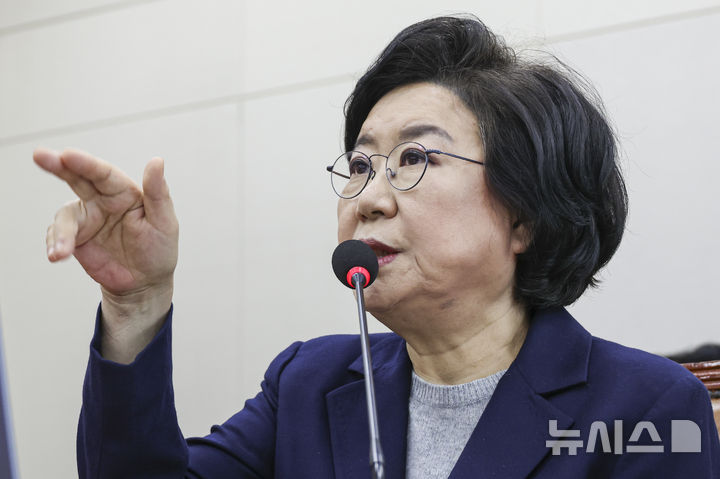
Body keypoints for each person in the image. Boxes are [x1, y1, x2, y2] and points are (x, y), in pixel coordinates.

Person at [35, 15, 719, 479]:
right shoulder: (308, 382)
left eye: (415, 158)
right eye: (360, 165)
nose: (369, 197)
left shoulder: (646, 408)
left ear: (526, 216)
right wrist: (137, 301)